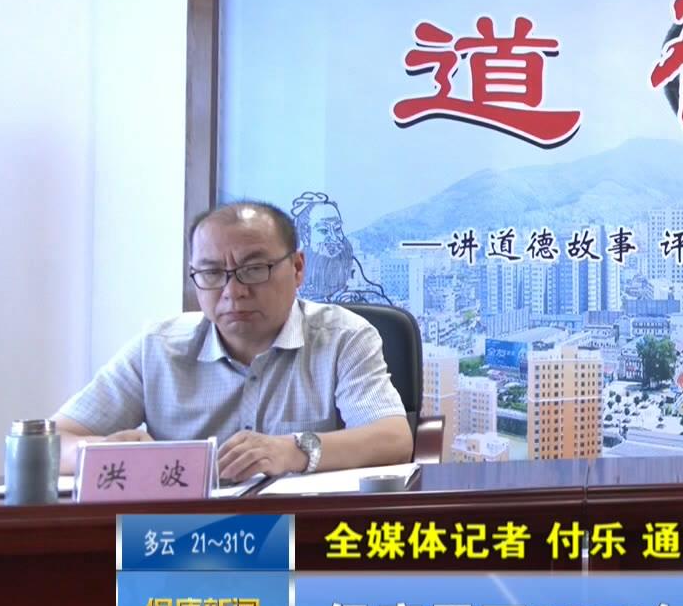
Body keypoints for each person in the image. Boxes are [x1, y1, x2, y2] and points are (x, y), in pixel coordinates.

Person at [55, 201, 414, 478]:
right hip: (181, 536)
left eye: (254, 269)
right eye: (212, 273)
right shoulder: (158, 347)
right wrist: (101, 451)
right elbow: (54, 443)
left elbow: (392, 438)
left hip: (301, 531)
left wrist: (292, 451)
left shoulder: (343, 338)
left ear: (298, 268)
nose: (233, 291)